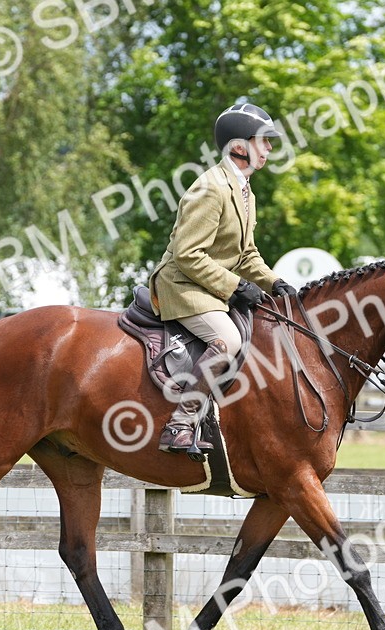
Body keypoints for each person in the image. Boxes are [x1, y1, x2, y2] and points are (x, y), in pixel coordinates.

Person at [148, 102, 296, 454]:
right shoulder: (210, 188)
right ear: (240, 146)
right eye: (264, 141)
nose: (270, 149)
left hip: (208, 286)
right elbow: (187, 255)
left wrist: (274, 283)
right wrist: (235, 286)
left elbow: (245, 254)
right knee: (227, 339)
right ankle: (180, 425)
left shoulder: (245, 191)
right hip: (182, 285)